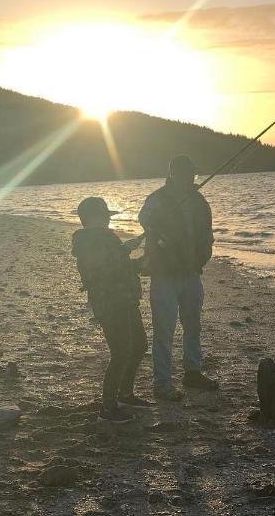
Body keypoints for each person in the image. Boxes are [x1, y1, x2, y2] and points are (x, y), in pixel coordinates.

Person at [139, 155, 219, 400]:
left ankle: (192, 372)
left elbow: (207, 231)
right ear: (173, 173)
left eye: (191, 172)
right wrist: (159, 219)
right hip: (164, 273)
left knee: (193, 325)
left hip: (192, 272)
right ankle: (162, 382)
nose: (189, 176)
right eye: (184, 172)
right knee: (164, 329)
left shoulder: (198, 200)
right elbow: (143, 219)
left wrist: (202, 256)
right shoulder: (157, 199)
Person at [72, 196, 149, 423]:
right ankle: (108, 407)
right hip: (110, 304)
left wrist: (139, 263)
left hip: (126, 300)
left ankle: (125, 395)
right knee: (121, 352)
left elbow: (118, 266)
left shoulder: (105, 237)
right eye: (105, 216)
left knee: (139, 346)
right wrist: (125, 249)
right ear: (95, 217)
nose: (107, 220)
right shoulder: (86, 241)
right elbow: (100, 268)